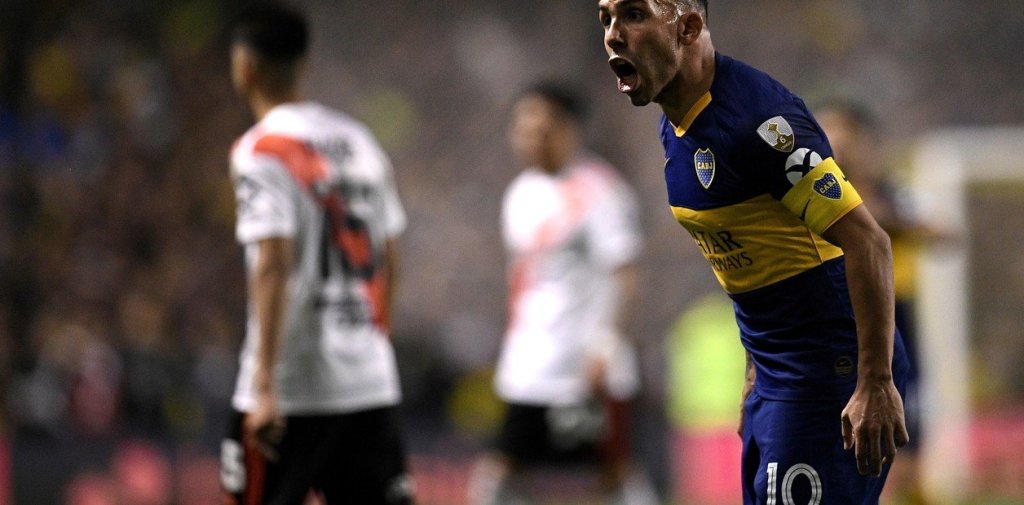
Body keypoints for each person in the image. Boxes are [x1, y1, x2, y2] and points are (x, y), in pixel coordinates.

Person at [596, 1, 910, 504]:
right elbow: (755, 251)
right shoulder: (676, 122)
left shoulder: (762, 124)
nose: (613, 34)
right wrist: (755, 368)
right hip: (775, 369)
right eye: (606, 18)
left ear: (688, 27)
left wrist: (874, 381)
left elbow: (869, 242)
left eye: (634, 14)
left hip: (828, 365)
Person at [220, 4, 413, 504]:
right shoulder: (359, 140)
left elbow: (273, 263)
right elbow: (389, 253)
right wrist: (374, 339)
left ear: (244, 66)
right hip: (369, 380)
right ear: (303, 64)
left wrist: (264, 385)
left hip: (294, 385)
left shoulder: (261, 149)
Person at [468, 82, 656, 505]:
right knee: (498, 474)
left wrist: (606, 347)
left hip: (586, 369)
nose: (530, 139)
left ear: (570, 130)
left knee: (614, 474)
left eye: (542, 129)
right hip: (530, 367)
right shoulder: (520, 194)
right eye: (522, 129)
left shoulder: (600, 191)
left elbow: (625, 274)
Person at [815, 99, 931, 504]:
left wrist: (882, 218)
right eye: (828, 129)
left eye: (844, 130)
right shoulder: (811, 192)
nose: (838, 141)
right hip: (837, 313)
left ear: (864, 139)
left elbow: (936, 230)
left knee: (907, 425)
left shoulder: (891, 192)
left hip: (899, 314)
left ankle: (910, 487)